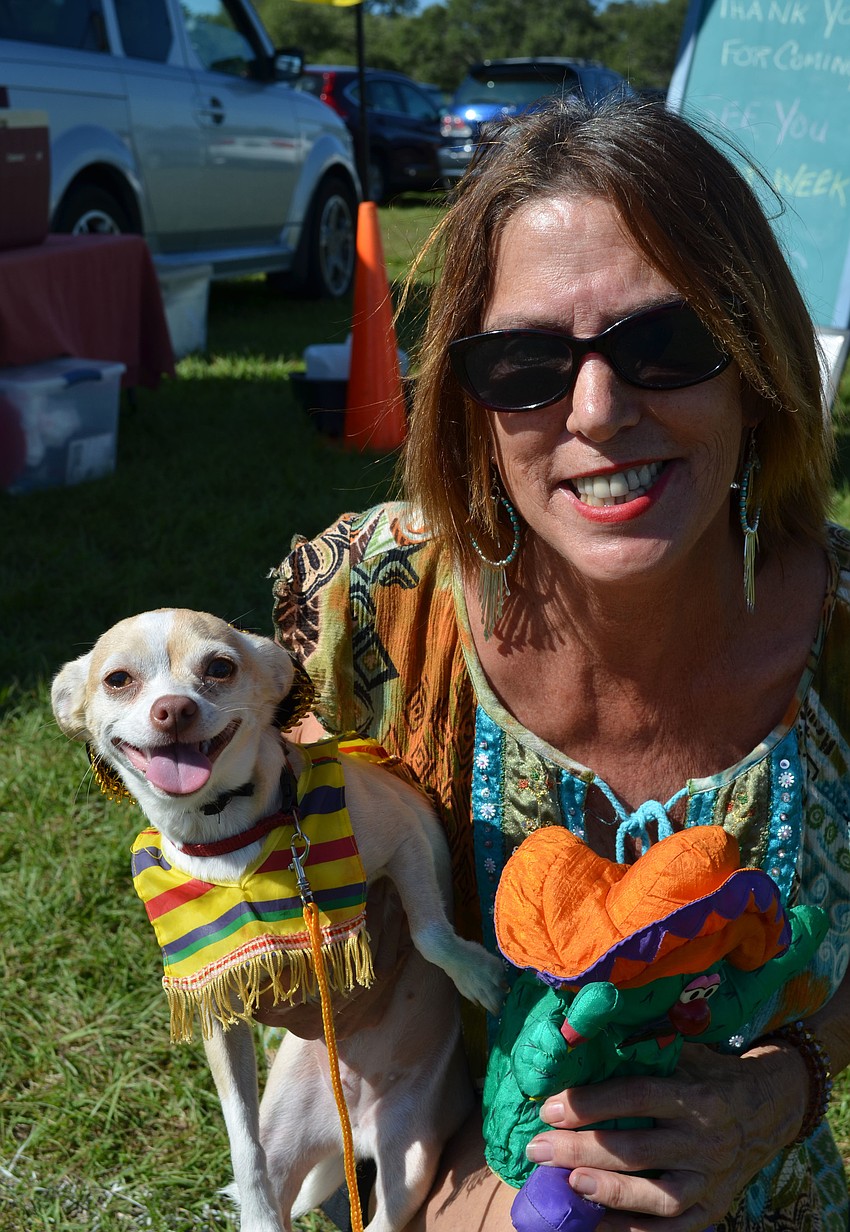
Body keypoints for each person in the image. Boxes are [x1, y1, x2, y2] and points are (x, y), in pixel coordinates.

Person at [265, 95, 850, 1231]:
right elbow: (298, 960)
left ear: (754, 357)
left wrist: (775, 1092)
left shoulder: (842, 629)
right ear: (468, 404)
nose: (597, 408)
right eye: (526, 362)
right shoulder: (365, 613)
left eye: (664, 343)